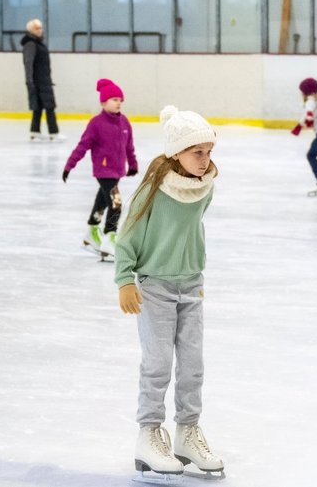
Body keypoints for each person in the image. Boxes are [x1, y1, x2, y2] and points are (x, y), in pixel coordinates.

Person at [114, 105, 224, 481]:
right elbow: (128, 234)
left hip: (192, 285)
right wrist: (125, 279)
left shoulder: (204, 187)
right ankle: (148, 434)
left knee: (193, 365)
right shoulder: (153, 189)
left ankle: (187, 432)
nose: (205, 159)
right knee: (157, 363)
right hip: (156, 288)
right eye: (197, 152)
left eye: (208, 151)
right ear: (176, 152)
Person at [61, 79, 138, 258]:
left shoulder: (124, 122)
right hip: (104, 171)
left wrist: (133, 164)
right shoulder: (96, 123)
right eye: (114, 99)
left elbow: (129, 146)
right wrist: (69, 165)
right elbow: (83, 146)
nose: (118, 103)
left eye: (120, 100)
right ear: (103, 103)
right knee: (116, 203)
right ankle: (110, 238)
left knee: (102, 201)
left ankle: (92, 232)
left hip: (117, 171)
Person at [20, 19, 63, 142]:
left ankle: (35, 131)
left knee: (38, 107)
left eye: (40, 28)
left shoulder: (37, 43)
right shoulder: (31, 44)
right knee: (49, 106)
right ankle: (53, 132)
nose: (40, 30)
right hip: (38, 81)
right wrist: (29, 81)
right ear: (30, 31)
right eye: (37, 28)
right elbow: (28, 63)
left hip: (43, 79)